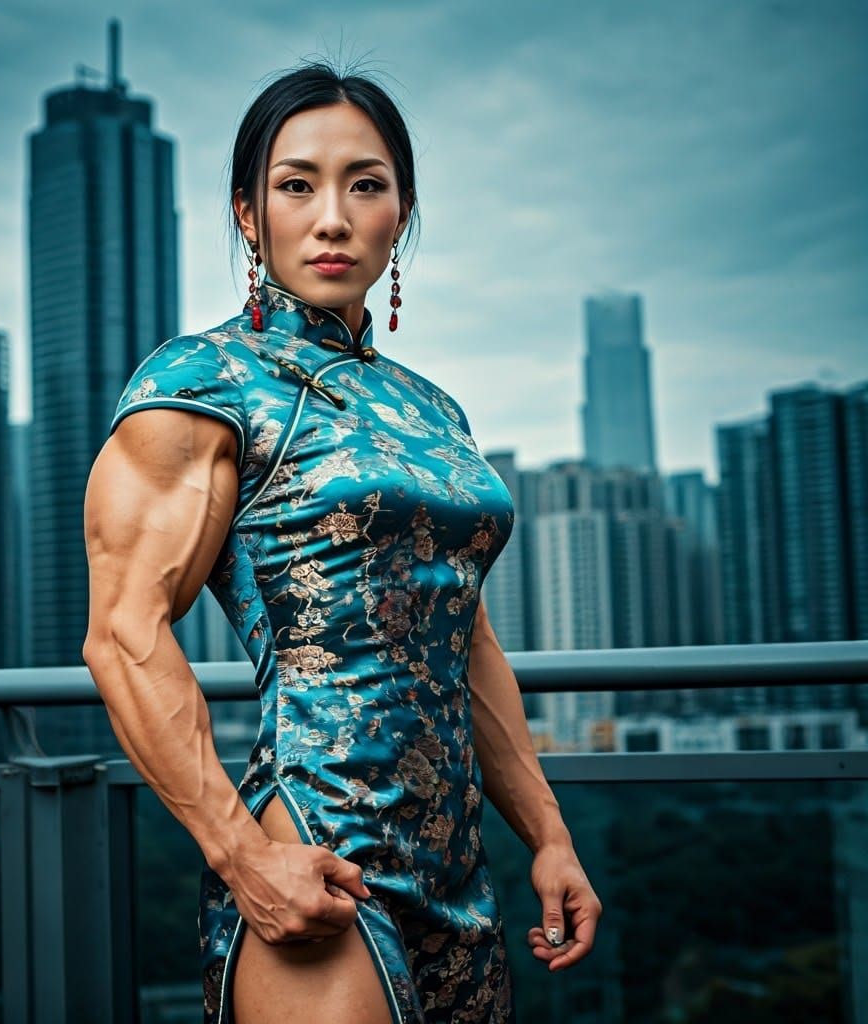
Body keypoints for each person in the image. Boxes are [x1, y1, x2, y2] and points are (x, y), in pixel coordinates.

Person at [83, 58, 601, 1024]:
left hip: (462, 872)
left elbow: (465, 639)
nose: (333, 216)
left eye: (366, 184)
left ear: (400, 211)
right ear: (248, 213)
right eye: (296, 185)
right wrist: (245, 859)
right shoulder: (201, 380)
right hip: (317, 853)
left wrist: (550, 834)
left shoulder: (431, 408)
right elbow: (123, 633)